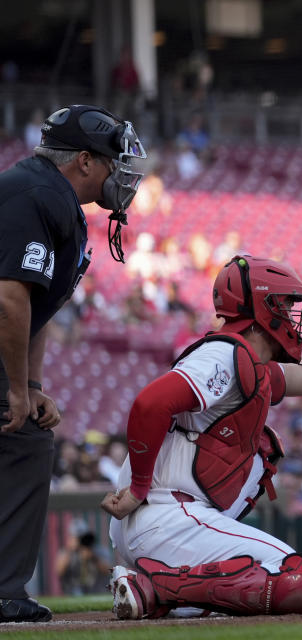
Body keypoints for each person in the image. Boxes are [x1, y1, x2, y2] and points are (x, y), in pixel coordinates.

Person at [101, 255, 302, 620]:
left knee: (262, 458)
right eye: (285, 305)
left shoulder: (248, 363)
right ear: (263, 307)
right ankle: (158, 590)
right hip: (167, 516)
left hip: (164, 524)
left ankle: (157, 589)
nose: (291, 315)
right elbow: (149, 403)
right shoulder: (225, 353)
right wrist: (139, 487)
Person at [0, 104, 146, 623]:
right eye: (112, 161)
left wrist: (31, 385)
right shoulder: (37, 194)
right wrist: (17, 387)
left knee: (28, 435)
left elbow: (35, 308)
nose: (121, 173)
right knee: (18, 432)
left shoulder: (58, 201)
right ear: (84, 161)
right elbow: (9, 299)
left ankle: (4, 588)